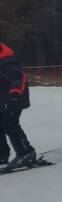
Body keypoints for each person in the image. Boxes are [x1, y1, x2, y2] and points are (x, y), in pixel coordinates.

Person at [0, 42, 37, 170]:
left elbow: (18, 77)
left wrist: (15, 94)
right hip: (2, 99)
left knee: (10, 125)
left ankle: (26, 153)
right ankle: (2, 156)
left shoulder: (6, 60)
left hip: (13, 98)